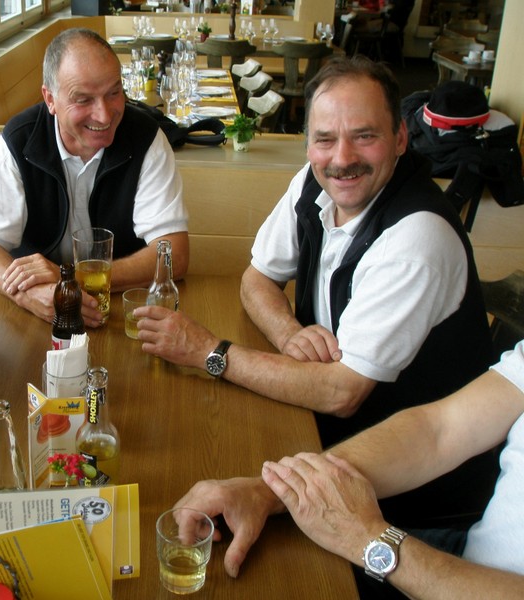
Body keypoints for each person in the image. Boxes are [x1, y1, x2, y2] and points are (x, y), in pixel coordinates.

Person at [136, 56, 496, 526]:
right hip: (325, 436)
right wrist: (289, 334)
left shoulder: (417, 239)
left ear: (400, 138)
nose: (342, 159)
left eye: (364, 136)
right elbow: (257, 278)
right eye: (325, 139)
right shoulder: (315, 180)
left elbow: (341, 392)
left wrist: (208, 352)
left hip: (410, 503)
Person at [173, 339, 524, 598]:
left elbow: (341, 392)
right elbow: (438, 430)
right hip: (461, 557)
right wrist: (271, 491)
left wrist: (369, 539)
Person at [0, 28, 189, 327]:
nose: (104, 115)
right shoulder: (20, 140)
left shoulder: (146, 138)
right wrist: (27, 295)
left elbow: (174, 254)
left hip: (122, 310)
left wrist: (69, 280)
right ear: (50, 99)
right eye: (83, 100)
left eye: (114, 93)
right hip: (35, 314)